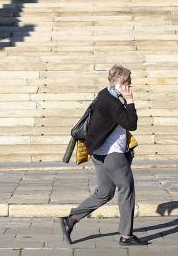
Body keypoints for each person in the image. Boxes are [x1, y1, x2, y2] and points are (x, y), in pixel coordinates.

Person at [60, 64, 145, 246]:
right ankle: (126, 236)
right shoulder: (112, 101)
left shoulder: (105, 94)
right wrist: (130, 100)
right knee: (126, 188)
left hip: (98, 151)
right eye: (128, 82)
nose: (131, 85)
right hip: (112, 153)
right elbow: (131, 123)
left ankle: (71, 219)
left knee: (105, 192)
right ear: (120, 82)